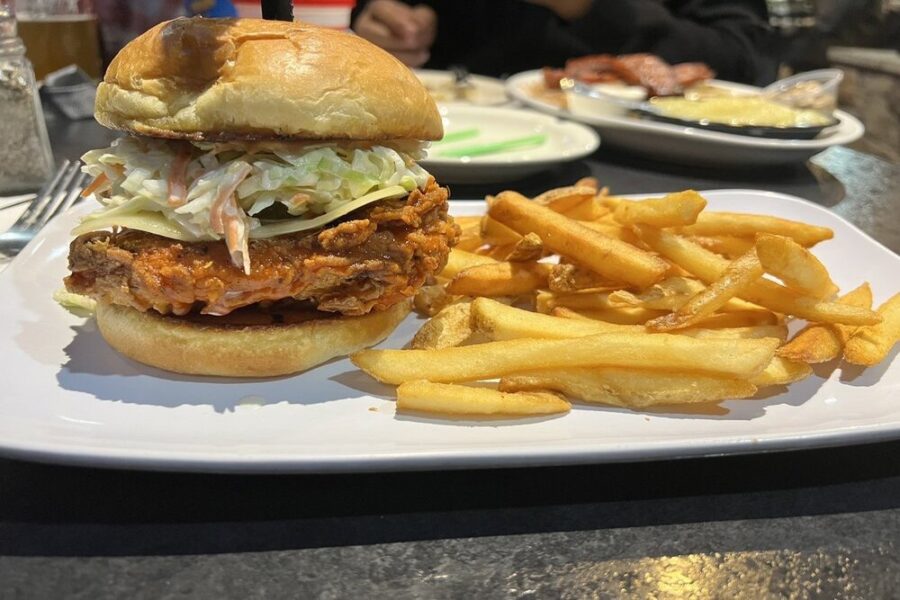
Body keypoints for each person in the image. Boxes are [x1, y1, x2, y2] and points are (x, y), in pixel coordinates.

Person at [351, 0, 777, 84]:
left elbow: (745, 59)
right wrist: (384, 17)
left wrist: (587, 8)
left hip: (649, 173)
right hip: (440, 151)